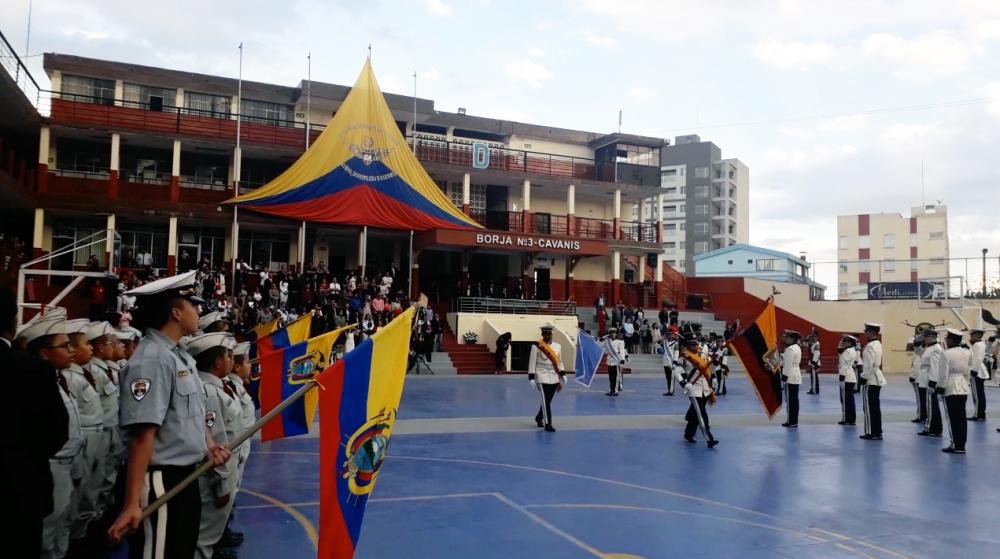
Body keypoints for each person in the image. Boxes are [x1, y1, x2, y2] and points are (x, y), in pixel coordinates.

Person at [108, 271, 232, 557]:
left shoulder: (179, 356)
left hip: (185, 478)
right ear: (176, 313)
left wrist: (208, 445)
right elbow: (143, 435)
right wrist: (131, 503)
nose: (199, 310)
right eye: (193, 304)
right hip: (160, 481)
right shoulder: (152, 360)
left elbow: (188, 414)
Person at [15, 308, 76, 559]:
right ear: (44, 353)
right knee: (46, 533)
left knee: (63, 525)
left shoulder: (59, 379)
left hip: (71, 461)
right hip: (52, 464)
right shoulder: (33, 384)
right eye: (65, 346)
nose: (71, 350)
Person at [187, 332, 240, 559]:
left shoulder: (219, 387)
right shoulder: (208, 392)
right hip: (216, 476)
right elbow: (215, 442)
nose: (232, 361)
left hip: (228, 469)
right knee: (203, 539)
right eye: (228, 356)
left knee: (211, 535)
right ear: (217, 362)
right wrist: (221, 486)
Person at [676, 335, 719, 448]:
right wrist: (684, 384)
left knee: (696, 414)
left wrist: (714, 372)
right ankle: (709, 439)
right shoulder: (685, 357)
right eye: (693, 345)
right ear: (689, 346)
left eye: (697, 345)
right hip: (693, 389)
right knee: (701, 415)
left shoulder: (703, 356)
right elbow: (677, 371)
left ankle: (688, 434)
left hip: (704, 389)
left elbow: (710, 369)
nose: (696, 346)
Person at [939, 329, 972, 454]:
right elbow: (968, 370)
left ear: (952, 340)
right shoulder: (967, 352)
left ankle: (955, 444)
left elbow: (943, 374)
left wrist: (940, 387)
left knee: (953, 418)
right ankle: (961, 445)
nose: (946, 340)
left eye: (947, 338)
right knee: (962, 418)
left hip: (951, 386)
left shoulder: (946, 354)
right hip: (963, 385)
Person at [528, 324, 565, 432]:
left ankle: (539, 417)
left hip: (554, 375)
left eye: (549, 334)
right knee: (545, 399)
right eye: (545, 334)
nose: (548, 336)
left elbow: (559, 362)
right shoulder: (536, 346)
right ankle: (548, 423)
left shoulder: (558, 346)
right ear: (542, 334)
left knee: (547, 400)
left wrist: (563, 374)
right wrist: (531, 377)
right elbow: (532, 362)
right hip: (541, 374)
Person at [860, 322, 886, 441]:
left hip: (870, 379)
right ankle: (877, 431)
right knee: (875, 407)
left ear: (871, 332)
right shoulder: (878, 344)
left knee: (870, 408)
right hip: (876, 377)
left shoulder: (870, 346)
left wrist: (863, 377)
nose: (865, 334)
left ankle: (872, 432)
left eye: (866, 332)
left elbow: (868, 365)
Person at [918, 329, 944, 438]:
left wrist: (932, 382)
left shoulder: (936, 349)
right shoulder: (930, 347)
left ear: (931, 337)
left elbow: (935, 367)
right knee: (930, 405)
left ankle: (932, 428)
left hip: (929, 379)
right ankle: (935, 428)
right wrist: (916, 343)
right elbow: (919, 353)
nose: (924, 339)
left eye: (925, 337)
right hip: (925, 378)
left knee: (931, 406)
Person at [780, 330, 802, 428]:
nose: (786, 339)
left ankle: (790, 421)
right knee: (794, 399)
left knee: (790, 400)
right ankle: (794, 420)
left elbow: (787, 365)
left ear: (793, 339)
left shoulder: (790, 349)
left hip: (789, 376)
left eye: (788, 337)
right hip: (796, 375)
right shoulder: (797, 347)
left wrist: (783, 378)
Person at [837, 335, 859, 426]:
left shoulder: (847, 352)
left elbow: (844, 366)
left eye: (845, 342)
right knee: (850, 400)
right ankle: (851, 419)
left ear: (850, 343)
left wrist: (841, 379)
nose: (843, 343)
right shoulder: (852, 351)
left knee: (845, 400)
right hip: (850, 377)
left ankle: (846, 419)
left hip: (846, 378)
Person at [967, 328, 988, 421]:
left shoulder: (977, 345)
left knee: (977, 395)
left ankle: (978, 415)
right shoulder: (980, 344)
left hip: (977, 372)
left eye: (972, 335)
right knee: (980, 394)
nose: (970, 336)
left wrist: (974, 371)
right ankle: (981, 414)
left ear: (977, 335)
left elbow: (978, 359)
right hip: (979, 371)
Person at [602, 328, 627, 396]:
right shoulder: (607, 341)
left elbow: (622, 351)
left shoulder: (620, 341)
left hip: (616, 361)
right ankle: (611, 390)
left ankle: (615, 391)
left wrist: (622, 360)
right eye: (611, 333)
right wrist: (604, 337)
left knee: (616, 377)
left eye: (613, 333)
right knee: (611, 377)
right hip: (609, 361)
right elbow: (601, 345)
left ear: (616, 334)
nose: (612, 334)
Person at [908, 333, 926, 424]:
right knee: (923, 399)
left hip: (918, 379)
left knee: (920, 399)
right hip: (922, 378)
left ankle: (921, 416)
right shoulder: (922, 352)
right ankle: (924, 416)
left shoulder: (919, 353)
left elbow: (916, 366)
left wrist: (912, 376)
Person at [661, 330, 679, 396]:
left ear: (673, 335)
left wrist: (675, 362)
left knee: (671, 378)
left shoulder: (675, 343)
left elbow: (676, 353)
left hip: (672, 363)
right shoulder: (665, 342)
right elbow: (660, 341)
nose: (669, 336)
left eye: (671, 335)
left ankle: (671, 392)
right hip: (665, 362)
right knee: (667, 377)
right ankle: (669, 390)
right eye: (668, 334)